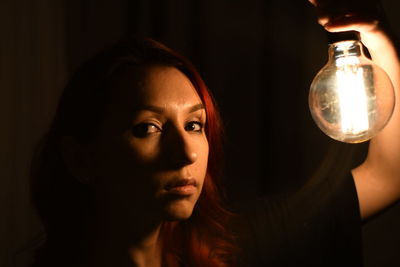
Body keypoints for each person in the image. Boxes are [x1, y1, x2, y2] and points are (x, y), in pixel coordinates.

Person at [29, 0, 400, 266]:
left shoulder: (238, 245)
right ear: (81, 159)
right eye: (148, 128)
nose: (187, 153)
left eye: (194, 125)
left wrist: (376, 34)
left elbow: (389, 175)